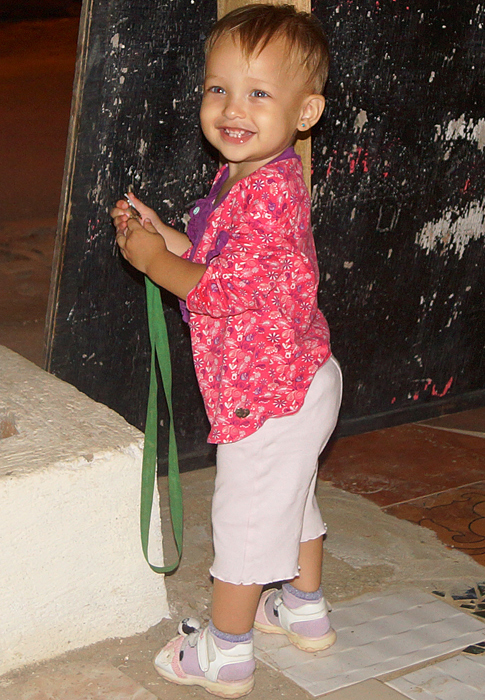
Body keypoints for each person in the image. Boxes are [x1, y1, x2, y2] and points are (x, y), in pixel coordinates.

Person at [111, 4, 342, 697]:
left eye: (258, 94)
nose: (232, 110)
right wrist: (167, 241)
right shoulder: (249, 176)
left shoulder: (265, 197)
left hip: (267, 396)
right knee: (292, 499)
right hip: (302, 378)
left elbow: (213, 292)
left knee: (243, 522)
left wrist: (156, 264)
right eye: (219, 89)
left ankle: (226, 650)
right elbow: (218, 264)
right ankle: (302, 608)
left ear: (306, 112)